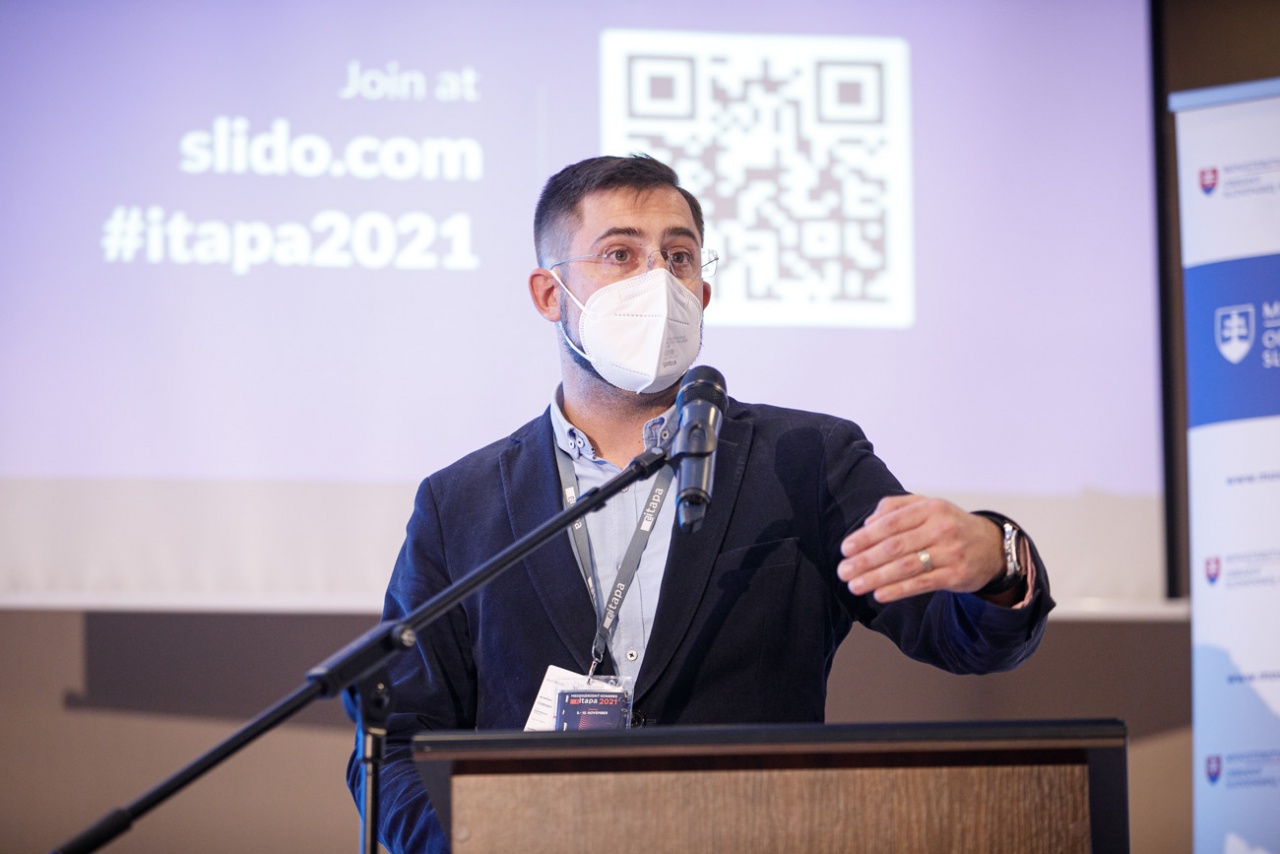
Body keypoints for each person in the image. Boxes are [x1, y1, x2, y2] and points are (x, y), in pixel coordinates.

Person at [346, 154, 1053, 853]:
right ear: (548, 294)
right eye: (620, 254)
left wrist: (995, 558)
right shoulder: (459, 504)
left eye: (679, 257)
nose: (657, 278)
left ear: (702, 293)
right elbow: (397, 745)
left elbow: (963, 637)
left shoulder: (808, 460)